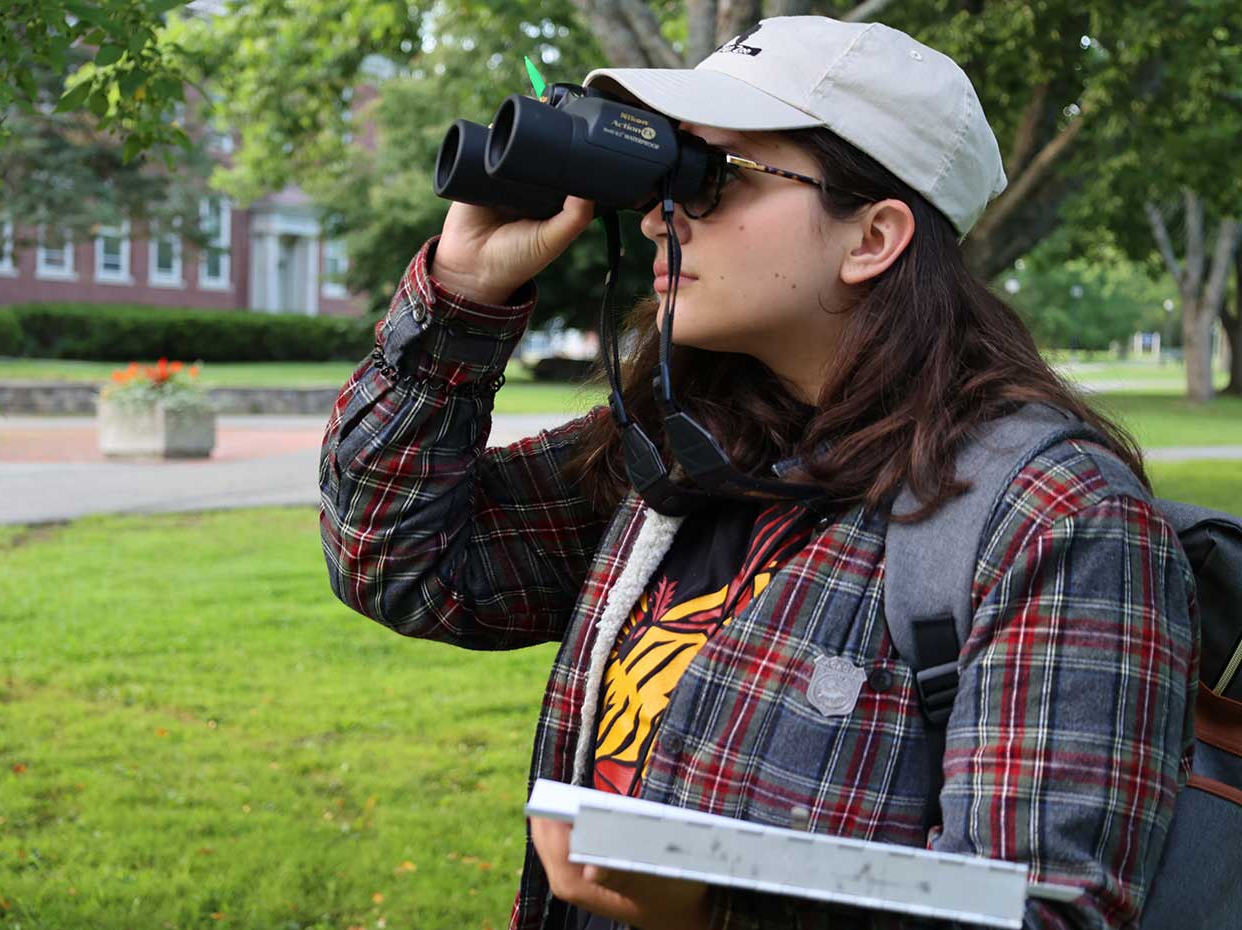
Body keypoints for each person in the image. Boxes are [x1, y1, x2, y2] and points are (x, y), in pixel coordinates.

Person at [319, 15, 1196, 930]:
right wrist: (461, 297)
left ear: (873, 238)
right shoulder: (690, 450)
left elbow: (1050, 913)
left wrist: (719, 908)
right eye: (671, 170)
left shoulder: (1055, 519)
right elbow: (405, 562)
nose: (662, 212)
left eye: (717, 176)